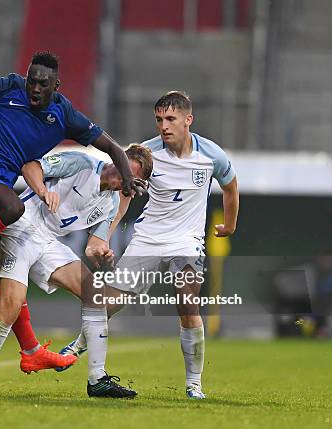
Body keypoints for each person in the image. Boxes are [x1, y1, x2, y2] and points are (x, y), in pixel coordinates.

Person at [0, 33, 146, 370]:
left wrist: (127, 181)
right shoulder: (10, 88)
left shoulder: (65, 114)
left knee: (2, 289)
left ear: (57, 84)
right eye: (32, 81)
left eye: (43, 84)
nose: (35, 89)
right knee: (13, 208)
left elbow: (113, 146)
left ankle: (29, 350)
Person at [59, 91, 240, 400]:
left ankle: (194, 384)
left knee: (187, 303)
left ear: (188, 120)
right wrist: (104, 234)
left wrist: (230, 224)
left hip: (187, 242)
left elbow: (230, 187)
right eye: (159, 120)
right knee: (107, 303)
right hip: (148, 239)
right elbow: (124, 194)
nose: (163, 126)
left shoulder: (211, 155)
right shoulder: (147, 154)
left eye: (170, 119)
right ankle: (78, 345)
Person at [0, 145, 153, 397]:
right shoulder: (80, 163)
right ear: (117, 158)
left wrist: (101, 252)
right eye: (122, 168)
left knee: (96, 296)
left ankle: (97, 380)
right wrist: (42, 191)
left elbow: (93, 245)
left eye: (128, 177)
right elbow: (30, 167)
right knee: (10, 307)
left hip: (48, 242)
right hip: (20, 227)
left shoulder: (111, 203)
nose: (120, 176)